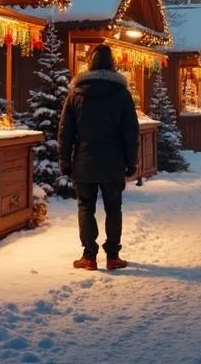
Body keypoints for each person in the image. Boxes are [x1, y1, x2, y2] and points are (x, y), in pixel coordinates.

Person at [59, 44, 139, 271]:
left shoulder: (76, 93)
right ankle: (113, 256)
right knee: (114, 207)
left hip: (84, 160)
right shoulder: (122, 94)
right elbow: (130, 131)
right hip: (113, 161)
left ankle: (89, 256)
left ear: (89, 63)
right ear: (112, 63)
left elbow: (66, 130)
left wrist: (65, 159)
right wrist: (130, 161)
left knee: (86, 207)